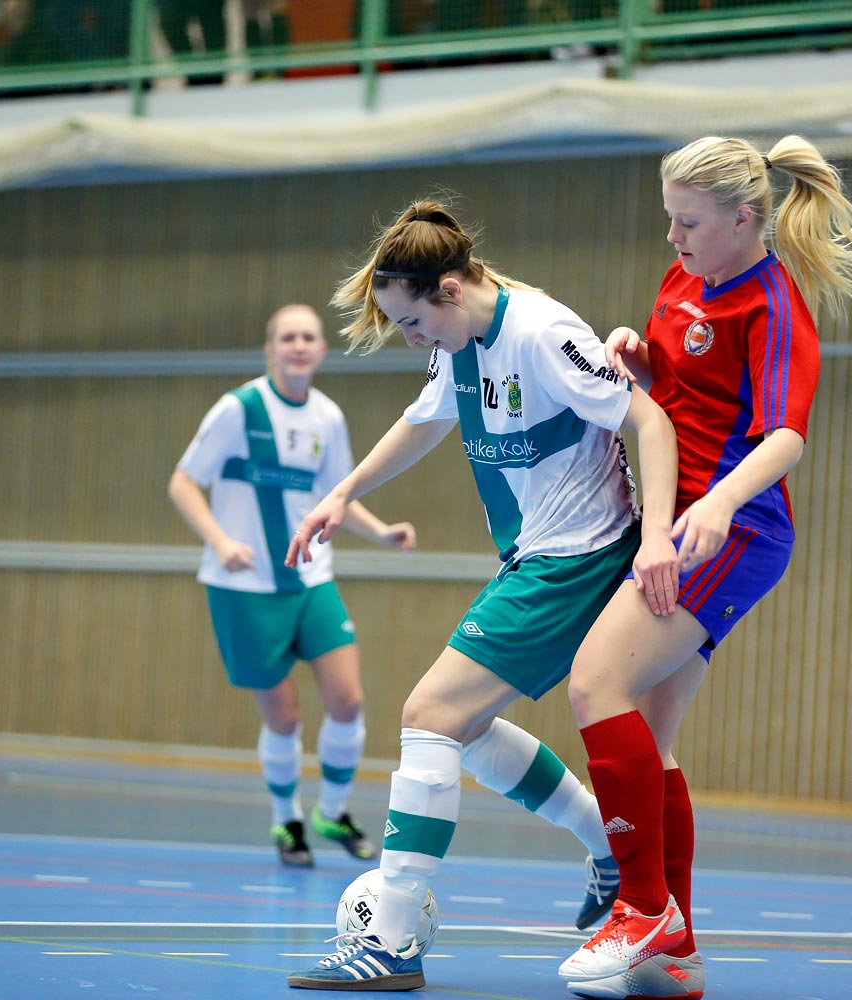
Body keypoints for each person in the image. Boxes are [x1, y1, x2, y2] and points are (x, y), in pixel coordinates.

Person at [284, 199, 681, 991]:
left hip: (579, 559)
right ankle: (606, 849)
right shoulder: (456, 343)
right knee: (455, 728)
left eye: (412, 322)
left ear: (452, 290)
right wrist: (344, 492)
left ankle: (390, 937)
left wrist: (661, 537)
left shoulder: (538, 333)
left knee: (429, 715)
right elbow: (422, 420)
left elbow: (651, 420)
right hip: (533, 559)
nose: (411, 338)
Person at [556, 135, 852, 1000]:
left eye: (689, 223)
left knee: (596, 685)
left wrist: (711, 507)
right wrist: (643, 362)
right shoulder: (685, 276)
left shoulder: (774, 303)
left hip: (730, 531)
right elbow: (691, 391)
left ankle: (642, 910)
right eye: (668, 221)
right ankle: (678, 953)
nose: (673, 240)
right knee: (652, 742)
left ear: (746, 219)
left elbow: (783, 432)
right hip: (678, 523)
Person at [169, 303, 417, 868]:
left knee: (348, 700)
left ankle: (332, 810)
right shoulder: (239, 409)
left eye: (308, 336)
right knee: (283, 717)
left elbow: (337, 495)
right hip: (246, 588)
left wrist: (381, 533)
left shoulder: (327, 417)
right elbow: (183, 483)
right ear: (271, 349)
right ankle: (287, 822)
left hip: (310, 579)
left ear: (321, 349)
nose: (299, 345)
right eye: (288, 337)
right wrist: (221, 542)